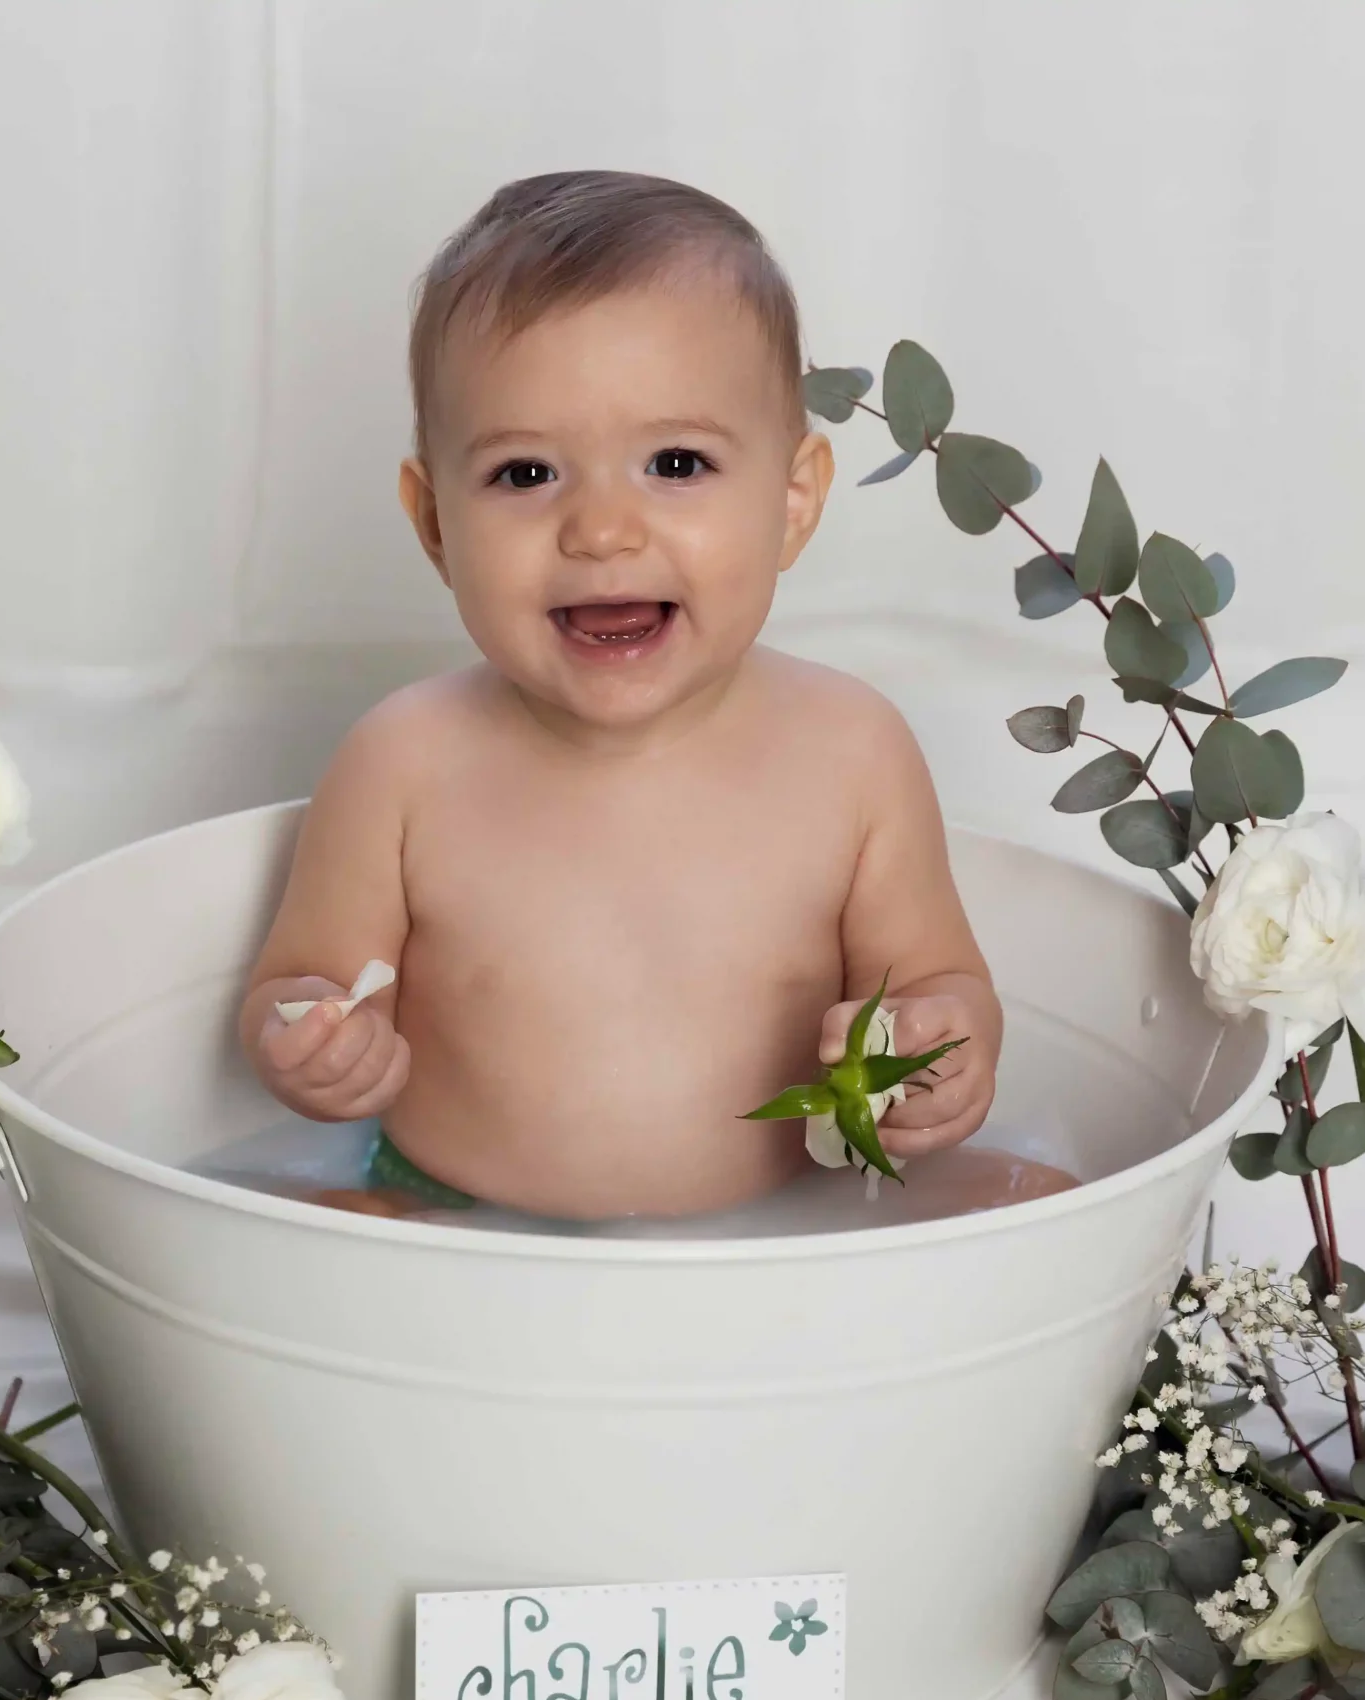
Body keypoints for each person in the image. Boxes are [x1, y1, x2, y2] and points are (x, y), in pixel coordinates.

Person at [240, 171, 1020, 1221]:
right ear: (434, 525)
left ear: (793, 503)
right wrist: (313, 1040)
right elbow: (300, 981)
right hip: (450, 1217)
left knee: (1034, 1198)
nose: (602, 530)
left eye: (676, 462)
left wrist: (939, 1053)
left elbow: (937, 980)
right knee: (276, 1243)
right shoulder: (404, 762)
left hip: (783, 1216)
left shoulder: (851, 753)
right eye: (526, 476)